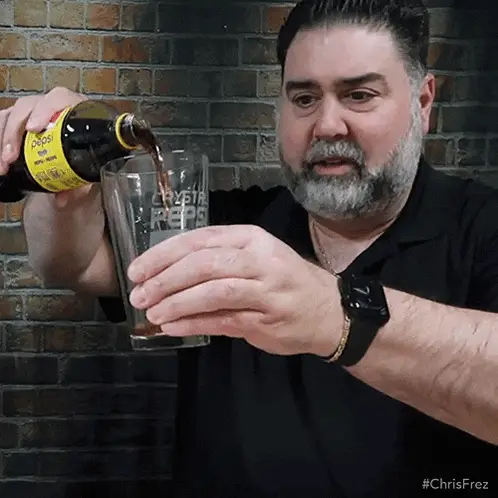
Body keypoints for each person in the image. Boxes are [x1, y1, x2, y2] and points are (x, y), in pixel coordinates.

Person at [1, 0, 497, 495]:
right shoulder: (234, 223)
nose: (328, 125)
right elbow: (69, 262)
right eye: (305, 98)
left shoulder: (482, 228)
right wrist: (65, 173)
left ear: (423, 103)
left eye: (359, 95)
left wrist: (332, 313)